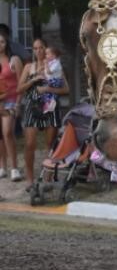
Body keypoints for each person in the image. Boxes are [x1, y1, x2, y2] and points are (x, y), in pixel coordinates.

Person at [17, 38, 68, 189]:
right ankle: (30, 179)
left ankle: (48, 178)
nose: (38, 51)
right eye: (35, 48)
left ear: (46, 49)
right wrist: (34, 80)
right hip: (32, 106)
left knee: (50, 144)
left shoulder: (55, 66)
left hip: (50, 107)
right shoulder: (29, 67)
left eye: (41, 48)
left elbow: (66, 89)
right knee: (29, 144)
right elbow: (19, 89)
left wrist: (48, 89)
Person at [0, 28, 23, 181]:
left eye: (2, 42)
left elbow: (21, 83)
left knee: (8, 132)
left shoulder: (14, 60)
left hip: (11, 101)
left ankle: (14, 168)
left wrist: (18, 104)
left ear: (6, 43)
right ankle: (2, 167)